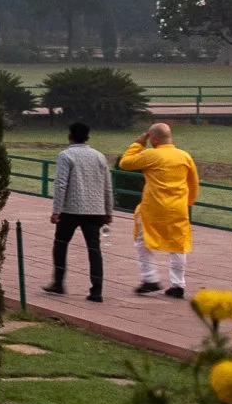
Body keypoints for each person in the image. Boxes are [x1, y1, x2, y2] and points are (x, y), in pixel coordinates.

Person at [122, 122, 201, 299]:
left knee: (143, 242)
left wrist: (138, 144)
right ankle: (178, 285)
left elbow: (125, 163)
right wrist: (188, 203)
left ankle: (150, 279)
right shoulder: (184, 156)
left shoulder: (151, 155)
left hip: (153, 208)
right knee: (178, 245)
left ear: (154, 139)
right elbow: (193, 183)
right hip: (178, 208)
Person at [46, 121, 113, 302]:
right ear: (88, 137)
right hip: (95, 210)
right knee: (94, 249)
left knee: (60, 244)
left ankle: (58, 283)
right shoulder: (99, 156)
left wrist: (56, 210)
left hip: (71, 209)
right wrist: (108, 210)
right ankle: (97, 290)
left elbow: (61, 184)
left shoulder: (66, 155)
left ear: (70, 136)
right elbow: (107, 186)